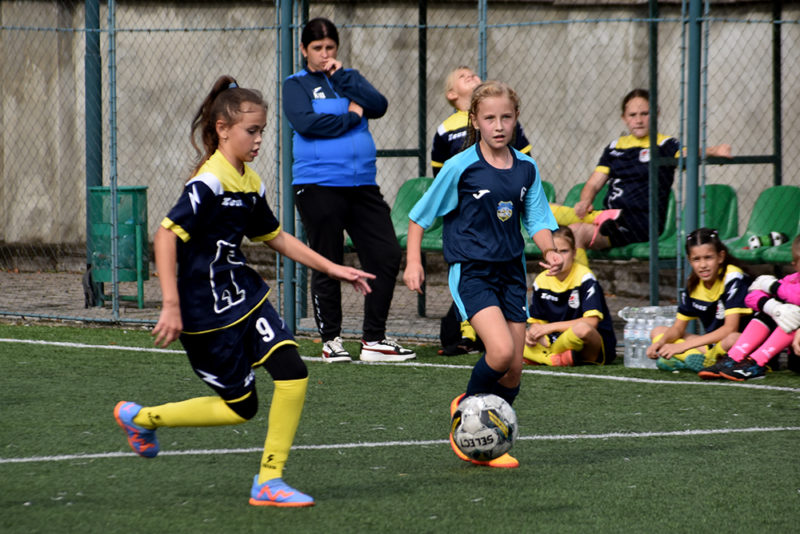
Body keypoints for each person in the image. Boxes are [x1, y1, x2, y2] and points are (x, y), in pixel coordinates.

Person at [113, 76, 376, 508]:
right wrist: (171, 305)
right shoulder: (208, 182)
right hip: (204, 313)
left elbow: (275, 236)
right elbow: (164, 236)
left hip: (243, 296)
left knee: (293, 370)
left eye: (262, 131)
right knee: (241, 408)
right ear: (222, 129)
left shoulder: (250, 182)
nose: (258, 140)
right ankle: (143, 418)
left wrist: (333, 267)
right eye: (251, 131)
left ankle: (269, 480)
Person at [403, 80, 562, 468]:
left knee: (514, 370)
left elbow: (537, 218)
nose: (498, 125)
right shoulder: (460, 167)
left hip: (512, 273)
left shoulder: (526, 167)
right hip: (472, 271)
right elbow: (419, 217)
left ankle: (489, 444)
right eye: (489, 118)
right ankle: (467, 416)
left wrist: (550, 249)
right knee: (501, 352)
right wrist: (413, 261)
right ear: (474, 120)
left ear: (516, 118)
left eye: (506, 117)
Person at [282, 17, 414, 363]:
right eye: (317, 48)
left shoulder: (349, 78)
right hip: (318, 184)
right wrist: (353, 118)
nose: (325, 54)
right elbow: (307, 124)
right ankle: (331, 340)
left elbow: (379, 105)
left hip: (362, 185)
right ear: (304, 49)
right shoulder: (295, 84)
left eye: (330, 47)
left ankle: (374, 339)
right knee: (328, 259)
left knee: (385, 254)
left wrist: (344, 79)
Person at [569, 89, 732, 264]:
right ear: (624, 118)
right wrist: (585, 201)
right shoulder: (614, 147)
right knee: (558, 230)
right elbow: (593, 184)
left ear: (656, 114)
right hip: (608, 217)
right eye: (632, 115)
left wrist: (714, 150)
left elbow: (688, 153)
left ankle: (581, 281)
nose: (638, 120)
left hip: (642, 222)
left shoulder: (664, 144)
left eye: (645, 114)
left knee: (575, 234)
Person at [646, 228, 751, 372]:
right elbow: (678, 329)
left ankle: (692, 358)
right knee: (658, 332)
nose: (703, 265)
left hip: (741, 345)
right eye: (696, 259)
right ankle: (700, 359)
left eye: (708, 257)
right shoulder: (693, 283)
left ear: (720, 257)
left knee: (734, 338)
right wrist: (661, 343)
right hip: (714, 346)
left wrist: (682, 346)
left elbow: (729, 329)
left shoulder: (733, 278)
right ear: (690, 260)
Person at [700, 235, 800, 381]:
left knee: (793, 314)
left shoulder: (783, 285)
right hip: (795, 358)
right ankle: (734, 358)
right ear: (795, 265)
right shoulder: (791, 280)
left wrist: (773, 286)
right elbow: (751, 297)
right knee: (774, 310)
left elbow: (796, 296)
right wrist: (772, 307)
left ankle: (756, 363)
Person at [524, 227, 617, 366]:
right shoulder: (541, 281)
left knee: (582, 329)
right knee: (517, 334)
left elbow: (591, 322)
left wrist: (549, 328)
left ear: (574, 253)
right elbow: (537, 323)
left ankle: (542, 357)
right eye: (554, 252)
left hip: (589, 343)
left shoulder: (585, 278)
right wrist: (533, 334)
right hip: (557, 342)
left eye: (564, 251)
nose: (559, 258)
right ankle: (556, 359)